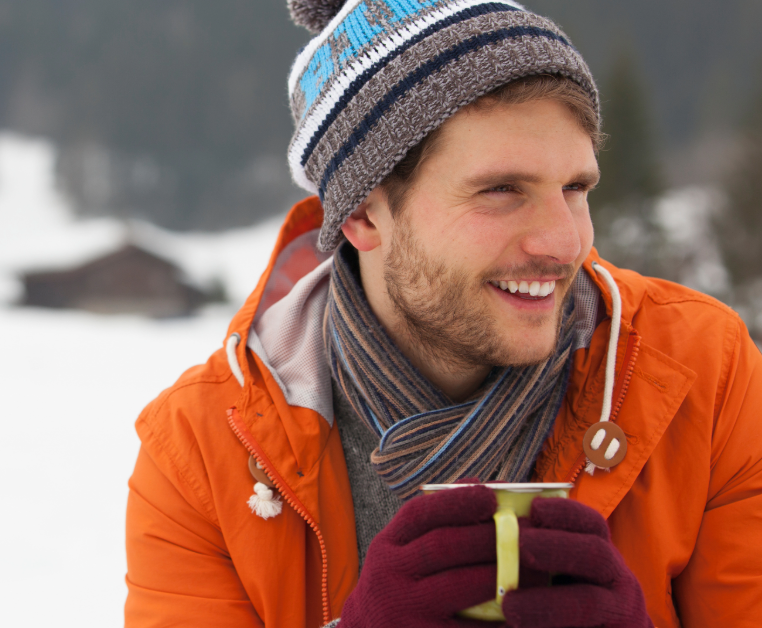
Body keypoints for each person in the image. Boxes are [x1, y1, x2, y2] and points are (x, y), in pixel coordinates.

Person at [124, 1, 762, 627]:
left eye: (575, 188)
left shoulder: (704, 375)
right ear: (363, 215)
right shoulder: (203, 451)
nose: (565, 243)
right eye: (501, 190)